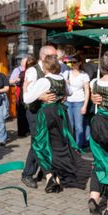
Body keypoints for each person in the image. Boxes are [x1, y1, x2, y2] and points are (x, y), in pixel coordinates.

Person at [24, 55, 80, 193]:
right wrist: (61, 95)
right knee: (57, 145)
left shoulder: (44, 81)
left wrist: (26, 87)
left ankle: (49, 176)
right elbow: (70, 92)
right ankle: (57, 179)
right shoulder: (61, 79)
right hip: (60, 113)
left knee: (39, 144)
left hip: (46, 114)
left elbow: (27, 98)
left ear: (45, 67)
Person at [21, 45, 58, 189]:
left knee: (47, 141)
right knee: (38, 142)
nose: (56, 58)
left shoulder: (55, 67)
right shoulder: (33, 70)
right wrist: (40, 97)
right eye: (53, 55)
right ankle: (27, 174)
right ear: (43, 56)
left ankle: (44, 170)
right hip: (35, 111)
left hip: (49, 112)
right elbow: (27, 95)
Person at [88, 50, 108, 215]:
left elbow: (95, 97)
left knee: (100, 162)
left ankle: (94, 197)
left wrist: (93, 98)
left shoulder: (95, 83)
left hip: (98, 124)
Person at [63, 54, 90, 148]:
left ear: (79, 63)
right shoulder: (66, 73)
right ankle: (71, 146)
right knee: (70, 125)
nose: (72, 64)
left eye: (74, 62)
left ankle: (79, 146)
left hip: (79, 102)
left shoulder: (84, 75)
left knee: (79, 126)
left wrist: (85, 106)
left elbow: (87, 90)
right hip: (68, 102)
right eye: (71, 62)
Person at [10, 57, 29, 137]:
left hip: (29, 92)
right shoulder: (17, 70)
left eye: (27, 63)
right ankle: (21, 131)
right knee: (21, 112)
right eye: (24, 63)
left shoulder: (30, 70)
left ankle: (28, 129)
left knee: (28, 111)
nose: (25, 64)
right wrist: (17, 80)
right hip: (19, 92)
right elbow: (11, 81)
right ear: (21, 63)